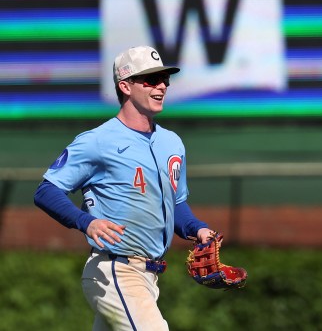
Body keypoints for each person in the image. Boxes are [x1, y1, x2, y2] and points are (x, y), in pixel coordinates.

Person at [34, 45, 217, 331]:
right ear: (125, 86)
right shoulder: (98, 141)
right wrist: (86, 222)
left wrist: (197, 228)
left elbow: (175, 205)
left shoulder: (172, 143)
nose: (162, 86)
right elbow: (46, 191)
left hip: (150, 277)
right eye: (151, 79)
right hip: (115, 271)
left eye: (165, 79)